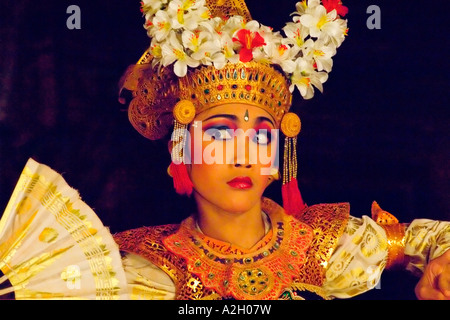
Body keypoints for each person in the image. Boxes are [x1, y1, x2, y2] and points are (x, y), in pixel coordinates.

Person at [0, 0, 449, 300]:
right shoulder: (140, 275)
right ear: (181, 147)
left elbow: (430, 240)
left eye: (261, 136)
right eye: (219, 133)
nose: (244, 156)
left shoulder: (332, 247)